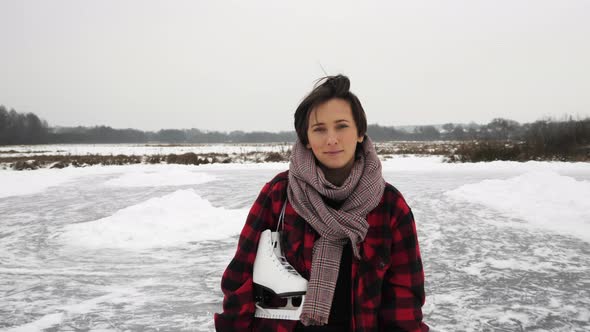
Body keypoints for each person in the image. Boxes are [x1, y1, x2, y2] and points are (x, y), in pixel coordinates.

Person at [214, 75, 429, 331]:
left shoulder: (389, 205)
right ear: (305, 138)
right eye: (319, 129)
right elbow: (240, 277)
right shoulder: (280, 194)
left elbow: (404, 298)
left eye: (341, 126)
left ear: (360, 132)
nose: (331, 139)